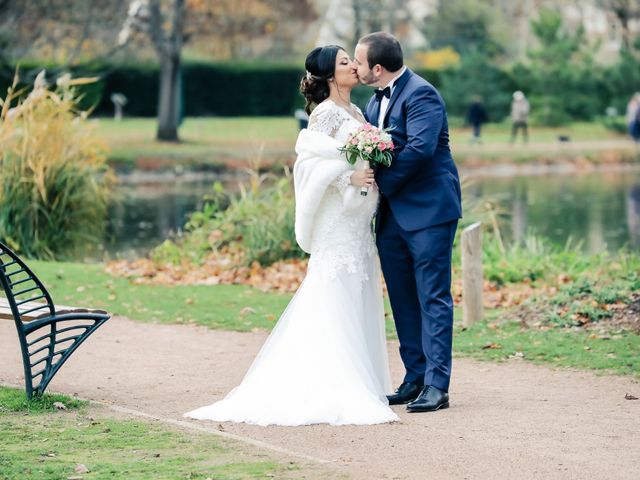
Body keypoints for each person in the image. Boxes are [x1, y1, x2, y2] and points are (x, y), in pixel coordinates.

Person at [184, 45, 398, 426]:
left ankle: (360, 379)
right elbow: (308, 165)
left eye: (352, 59)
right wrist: (346, 176)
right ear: (331, 76)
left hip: (356, 221)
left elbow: (356, 155)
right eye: (345, 62)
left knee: (357, 290)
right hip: (336, 223)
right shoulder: (326, 115)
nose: (353, 66)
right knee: (332, 292)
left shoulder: (356, 112)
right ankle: (332, 385)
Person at [354, 32, 461, 412]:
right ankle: (414, 378)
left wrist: (380, 184)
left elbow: (419, 150)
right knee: (402, 299)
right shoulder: (371, 102)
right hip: (391, 218)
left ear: (377, 68)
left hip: (429, 211)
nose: (355, 66)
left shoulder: (422, 94)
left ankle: (437, 385)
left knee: (433, 297)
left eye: (359, 61)